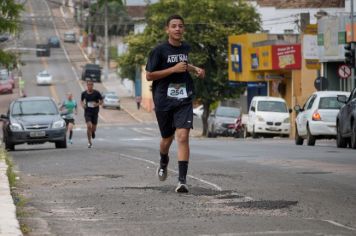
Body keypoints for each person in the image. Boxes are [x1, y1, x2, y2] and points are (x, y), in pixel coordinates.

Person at [145, 14, 205, 193]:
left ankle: (182, 181)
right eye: (174, 26)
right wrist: (172, 69)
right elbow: (149, 75)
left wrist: (195, 69)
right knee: (167, 138)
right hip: (163, 99)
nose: (178, 29)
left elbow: (184, 64)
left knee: (183, 136)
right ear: (167, 30)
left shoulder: (185, 47)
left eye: (180, 26)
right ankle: (163, 161)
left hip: (184, 97)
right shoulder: (159, 51)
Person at [81, 80, 103, 148]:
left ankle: (93, 132)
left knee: (93, 128)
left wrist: (97, 104)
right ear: (87, 86)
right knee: (89, 126)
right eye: (88, 85)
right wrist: (83, 105)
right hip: (87, 112)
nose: (89, 86)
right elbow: (81, 101)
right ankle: (89, 141)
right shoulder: (84, 93)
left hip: (95, 112)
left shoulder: (97, 93)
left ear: (92, 86)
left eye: (91, 85)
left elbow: (101, 101)